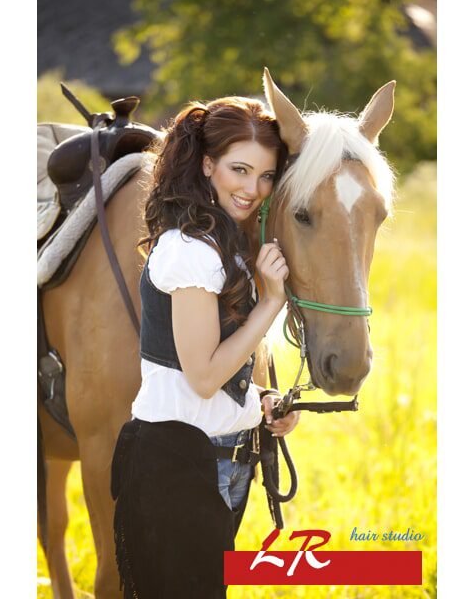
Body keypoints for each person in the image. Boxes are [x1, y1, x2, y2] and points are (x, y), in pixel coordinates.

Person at [110, 96, 300, 598]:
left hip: (223, 460)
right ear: (207, 164)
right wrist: (271, 302)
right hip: (180, 464)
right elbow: (203, 377)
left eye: (266, 176)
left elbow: (209, 369)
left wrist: (257, 403)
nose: (252, 189)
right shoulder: (191, 249)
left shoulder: (225, 244)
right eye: (240, 169)